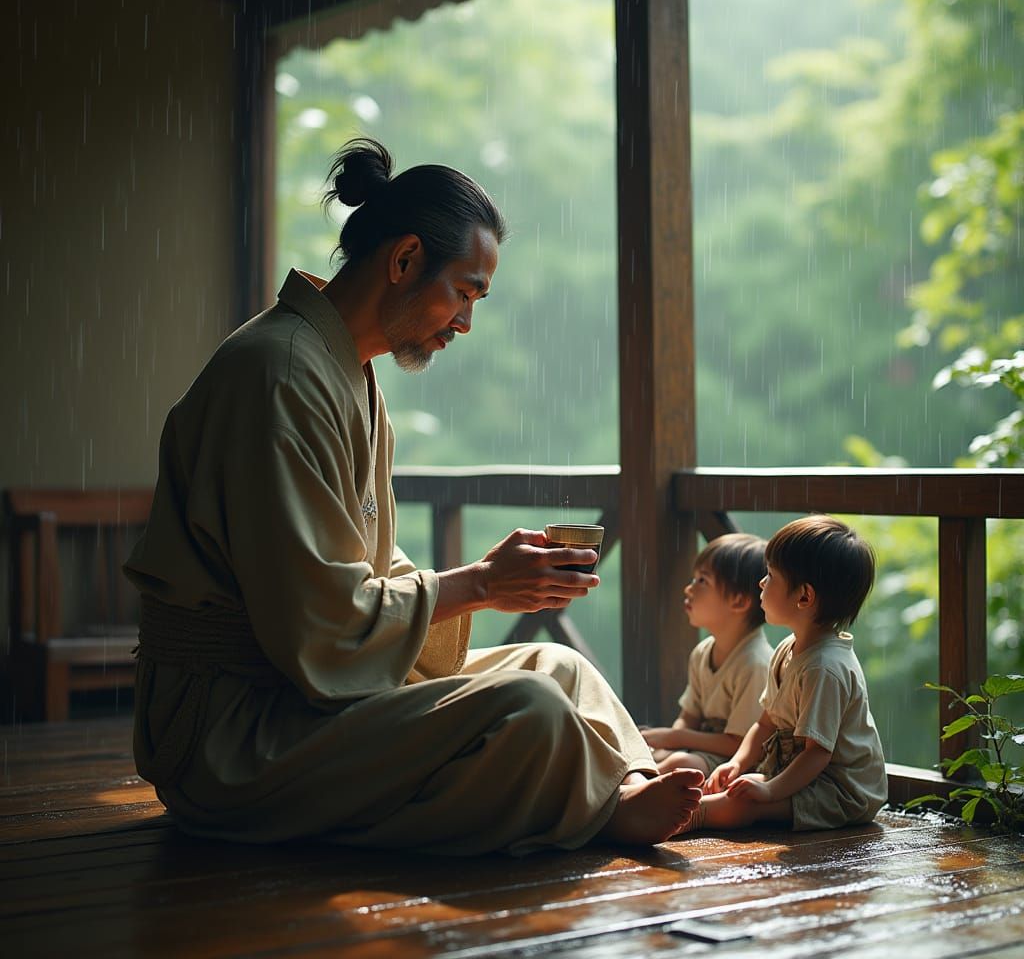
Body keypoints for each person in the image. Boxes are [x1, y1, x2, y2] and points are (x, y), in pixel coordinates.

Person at [124, 137, 703, 856]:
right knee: (529, 710)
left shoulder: (344, 374)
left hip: (302, 697)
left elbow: (371, 570)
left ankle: (625, 789)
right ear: (403, 261)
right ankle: (601, 807)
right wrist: (481, 584)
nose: (465, 322)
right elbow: (319, 627)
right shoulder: (279, 375)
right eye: (464, 292)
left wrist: (483, 583)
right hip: (234, 730)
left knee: (557, 668)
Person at [681, 515, 887, 834]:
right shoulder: (788, 648)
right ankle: (684, 808)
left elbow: (817, 755)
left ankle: (686, 817)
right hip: (798, 774)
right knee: (739, 785)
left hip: (840, 790)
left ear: (804, 596)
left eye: (771, 576)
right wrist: (737, 763)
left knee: (745, 804)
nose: (761, 583)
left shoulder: (824, 667)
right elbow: (765, 723)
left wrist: (770, 790)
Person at [641, 533, 771, 776]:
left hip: (738, 763)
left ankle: (631, 789)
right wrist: (668, 741)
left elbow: (740, 743)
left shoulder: (755, 664)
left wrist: (675, 738)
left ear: (739, 601)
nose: (689, 588)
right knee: (645, 754)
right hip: (701, 753)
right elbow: (689, 716)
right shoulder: (702, 652)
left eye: (702, 580)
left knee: (680, 764)